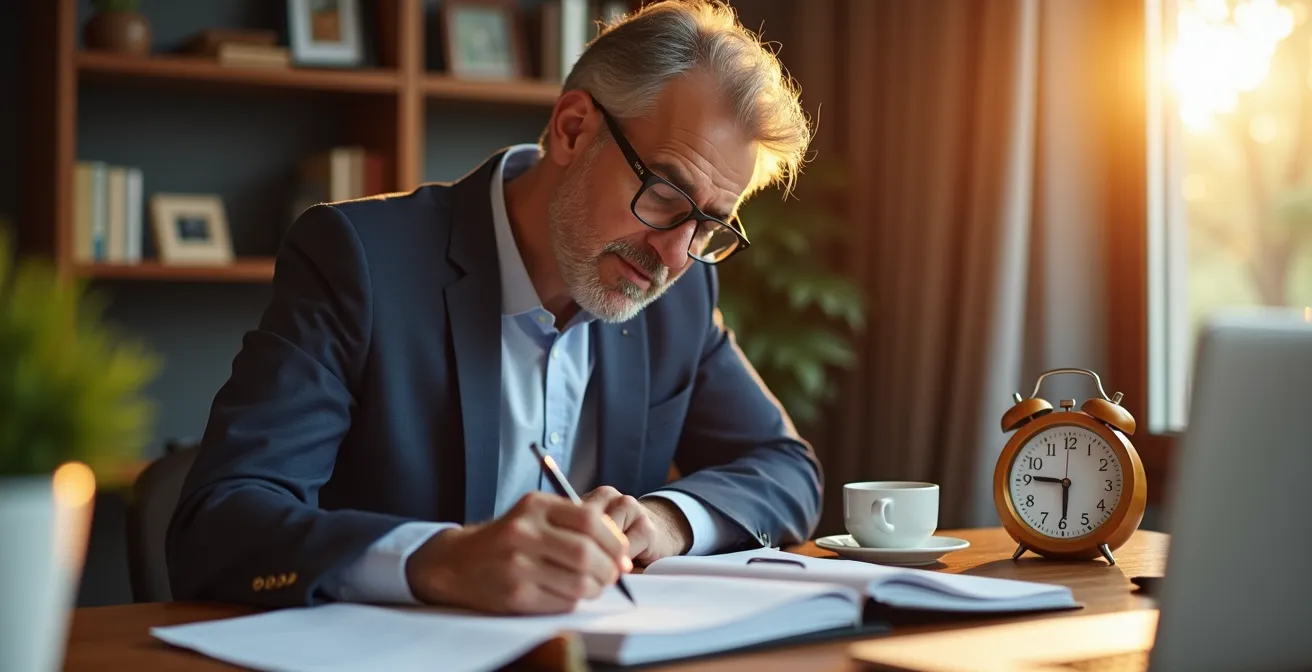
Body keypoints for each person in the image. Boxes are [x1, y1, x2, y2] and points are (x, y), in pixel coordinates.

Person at [166, 0, 821, 616]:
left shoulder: (678, 298)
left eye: (709, 226)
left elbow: (787, 469)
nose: (675, 256)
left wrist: (666, 521)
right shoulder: (361, 260)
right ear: (572, 129)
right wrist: (435, 559)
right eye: (664, 194)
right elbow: (219, 523)